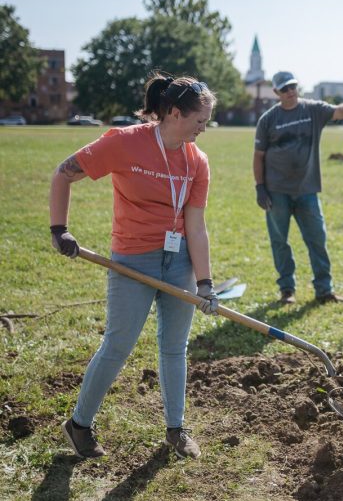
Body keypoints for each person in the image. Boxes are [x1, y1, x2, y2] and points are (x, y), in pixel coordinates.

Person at [50, 74, 220, 460]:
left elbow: (195, 224)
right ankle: (79, 425)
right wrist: (59, 230)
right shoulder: (125, 143)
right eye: (199, 121)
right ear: (175, 113)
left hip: (178, 263)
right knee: (118, 345)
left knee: (175, 348)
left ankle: (176, 429)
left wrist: (205, 283)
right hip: (132, 260)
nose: (203, 129)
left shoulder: (197, 161)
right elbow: (64, 172)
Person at [253, 71, 343, 305]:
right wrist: (260, 187)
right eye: (284, 89)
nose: (290, 91)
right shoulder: (268, 120)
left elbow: (339, 111)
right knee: (279, 241)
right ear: (276, 92)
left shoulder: (312, 110)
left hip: (307, 189)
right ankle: (287, 290)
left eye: (293, 86)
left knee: (317, 239)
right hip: (276, 191)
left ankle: (324, 290)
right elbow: (258, 157)